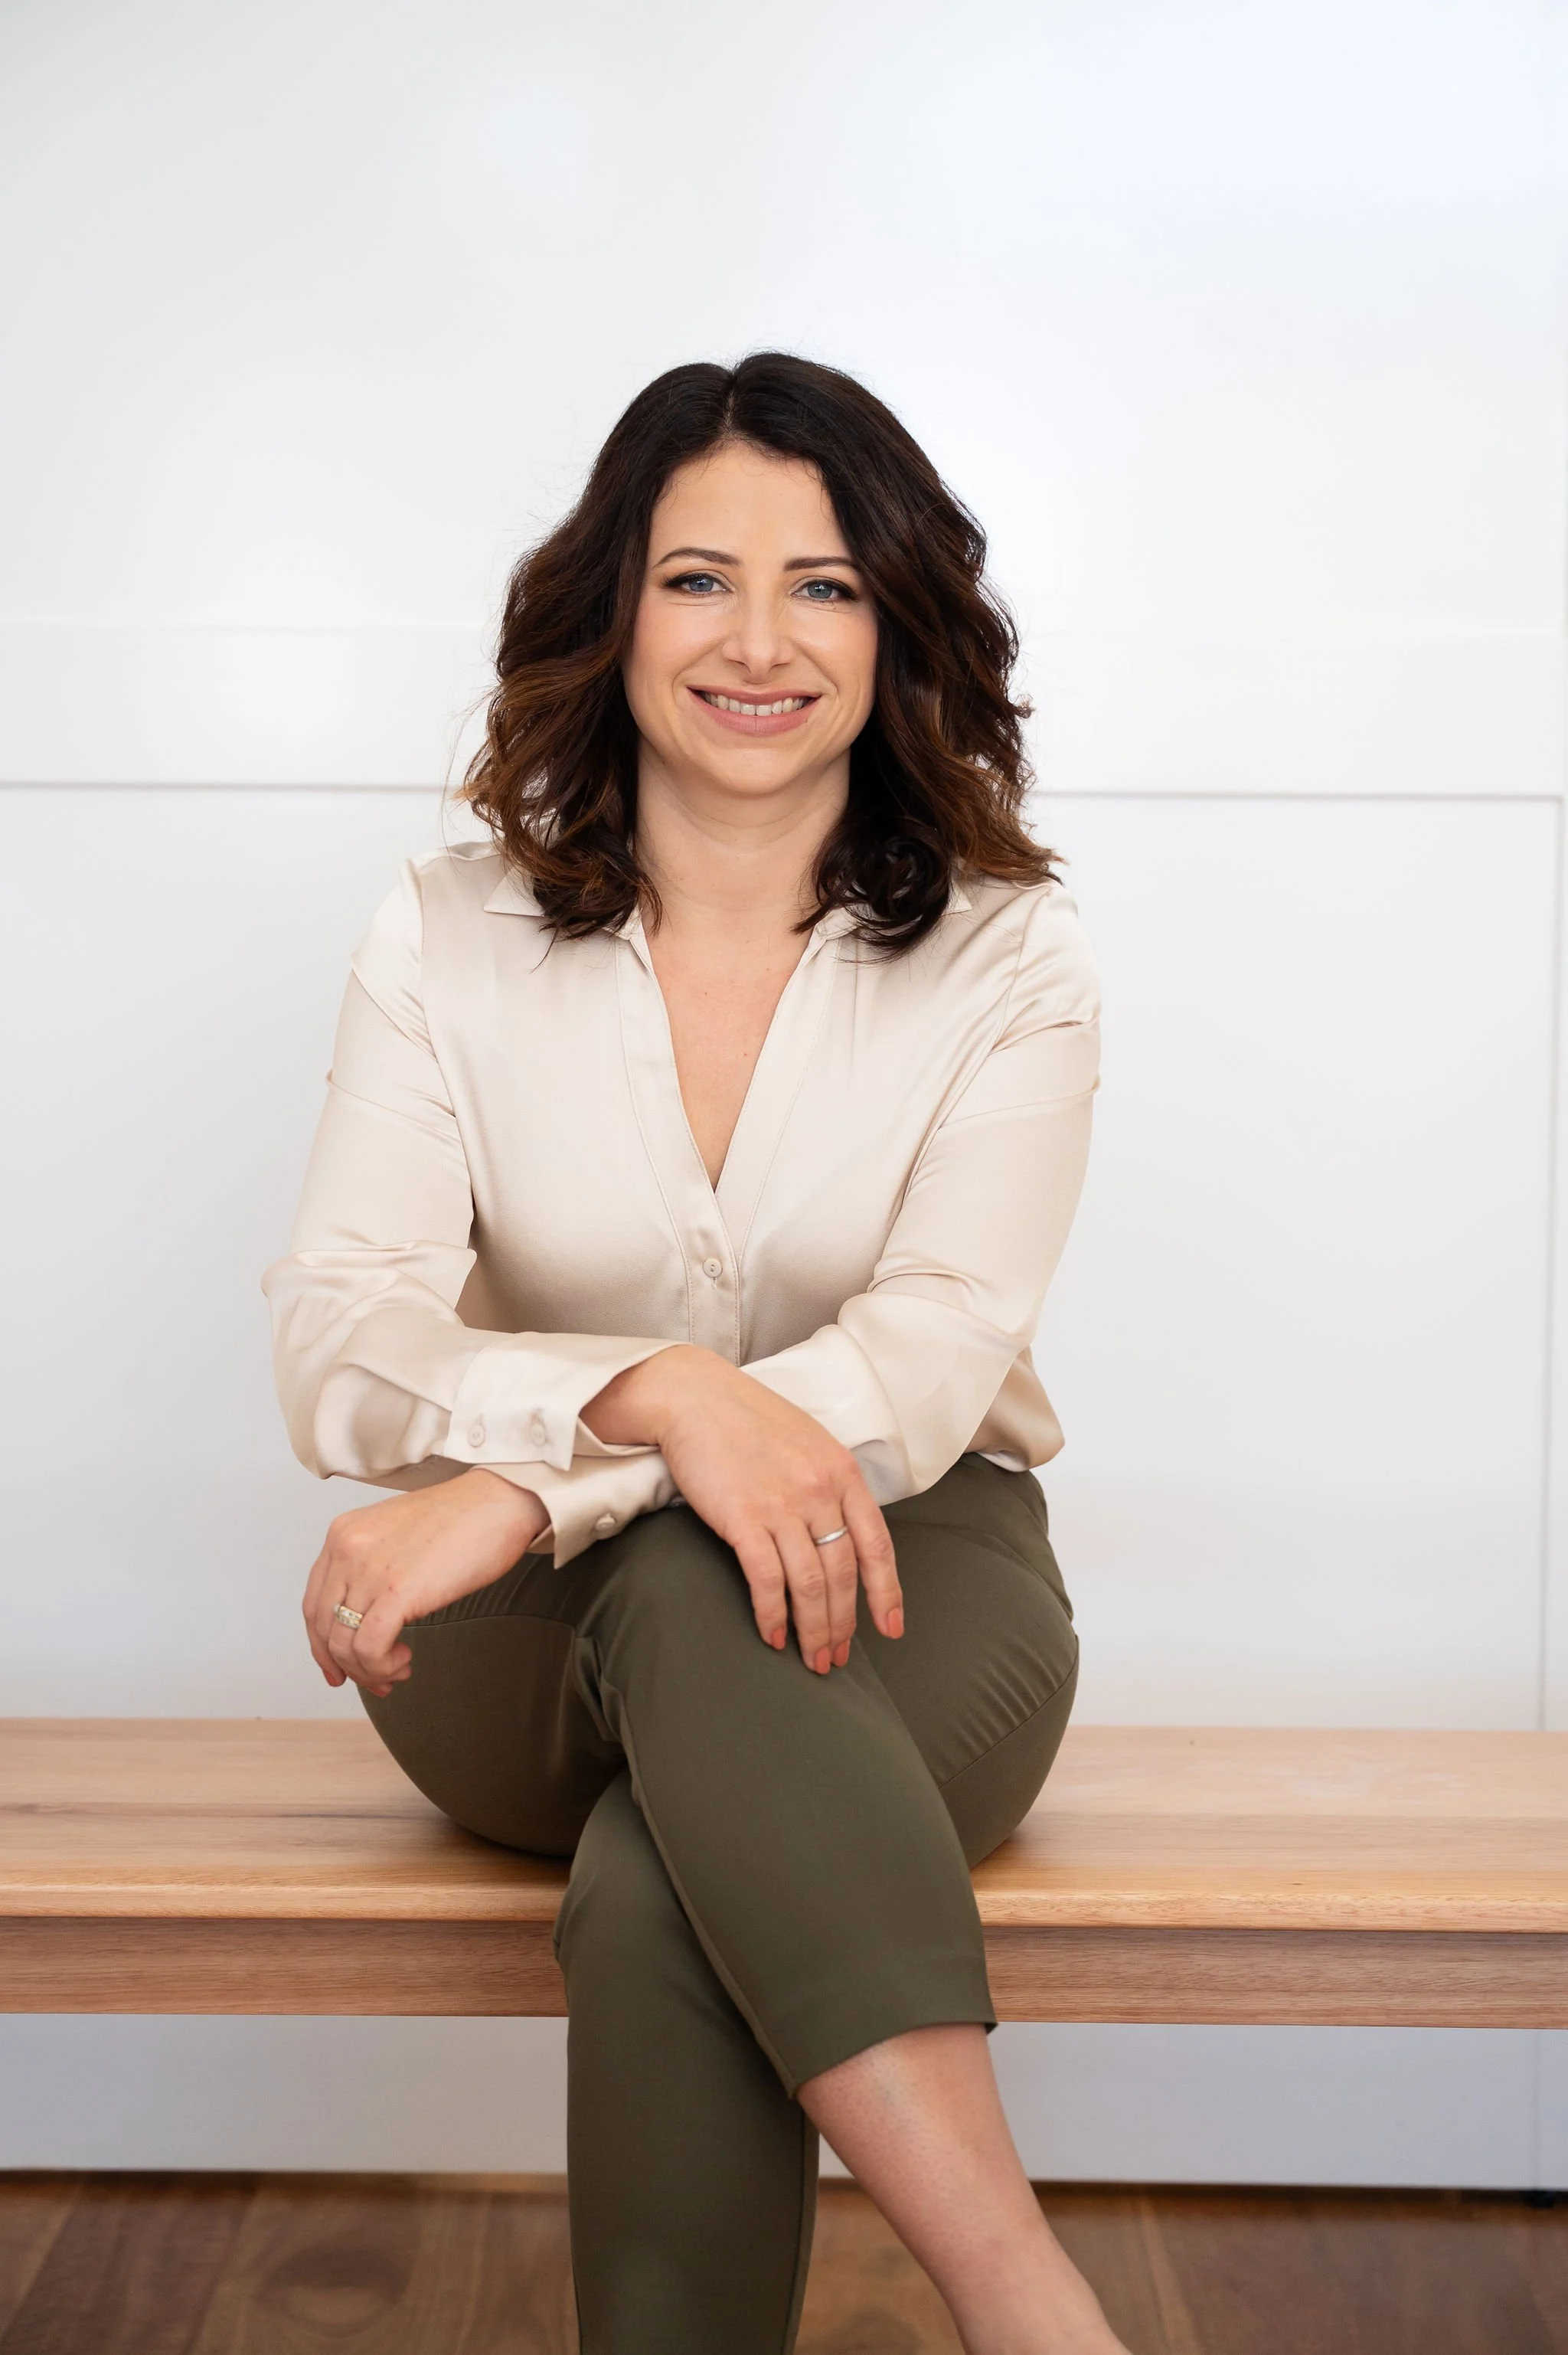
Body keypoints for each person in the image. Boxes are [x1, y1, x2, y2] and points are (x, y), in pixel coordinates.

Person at [263, 352, 1124, 2355]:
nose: (759, 640)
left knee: (665, 1882)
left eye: (824, 585)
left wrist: (537, 1468)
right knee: (667, 1569)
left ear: (898, 624)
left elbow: (922, 1365)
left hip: (922, 1573)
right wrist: (653, 1401)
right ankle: (1032, 2303)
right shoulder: (447, 929)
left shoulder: (1013, 956)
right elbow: (341, 1328)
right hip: (510, 1641)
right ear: (609, 610)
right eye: (696, 579)